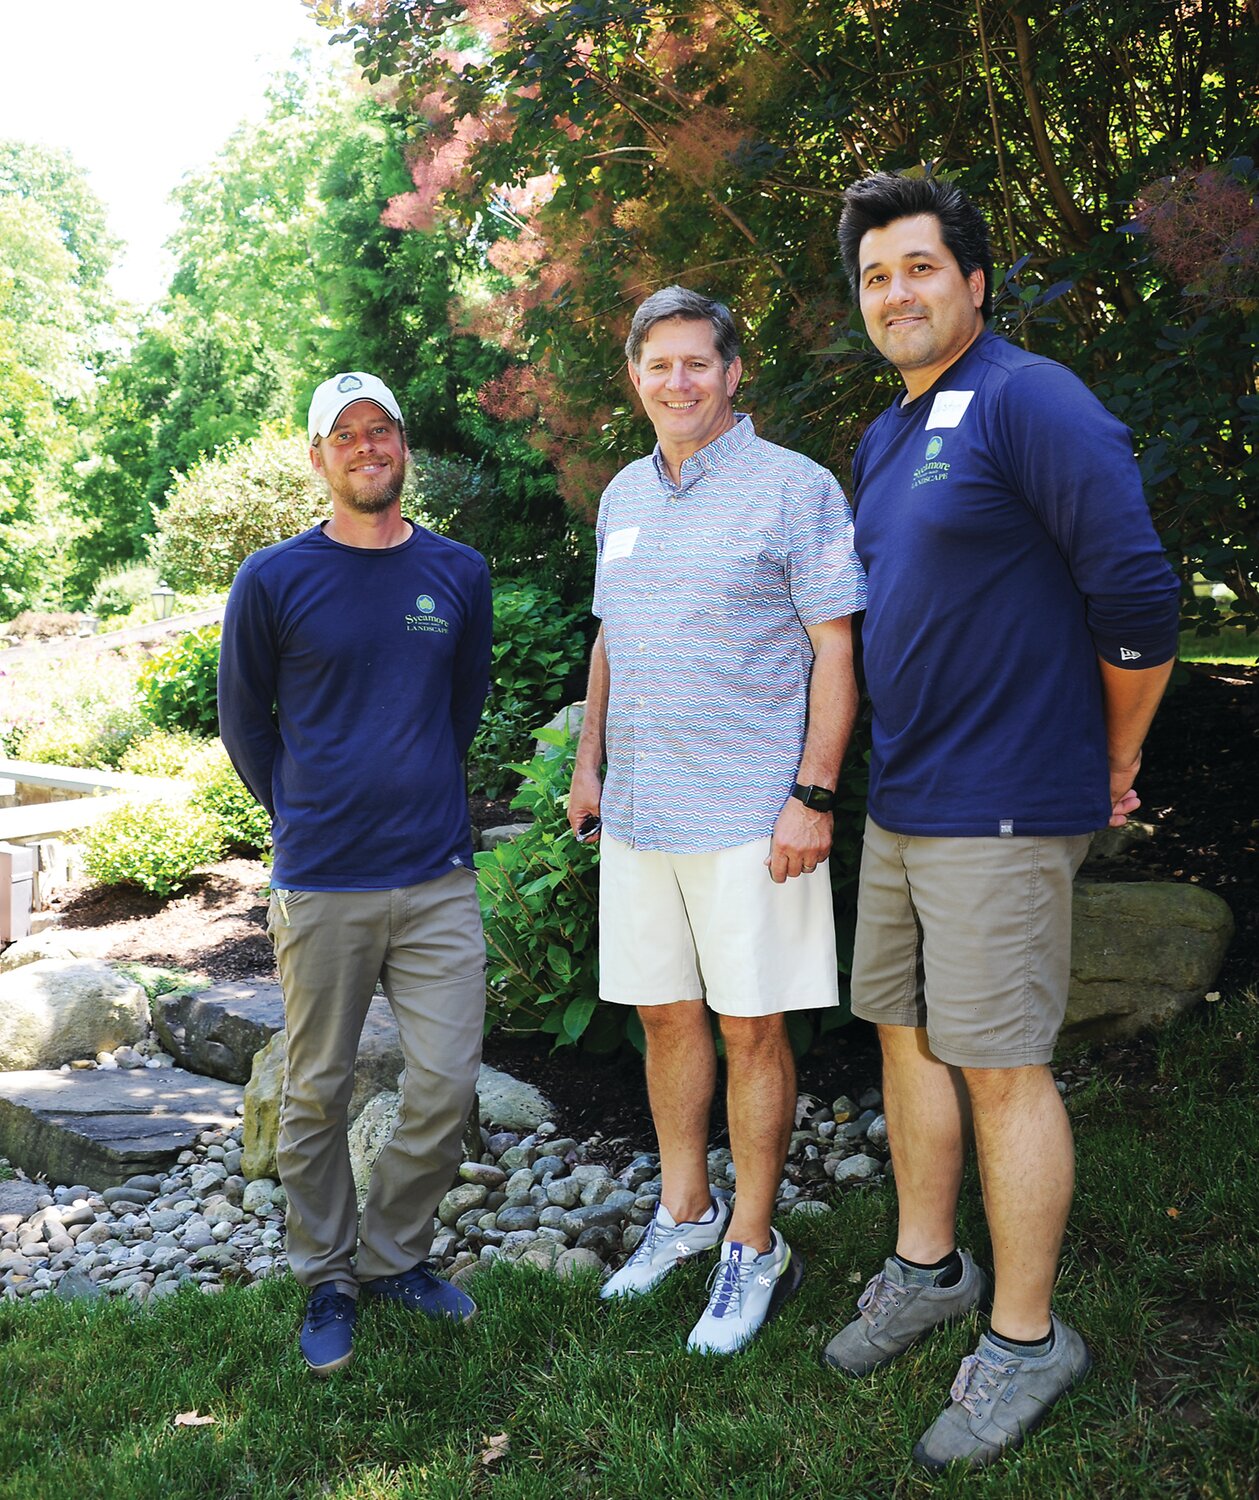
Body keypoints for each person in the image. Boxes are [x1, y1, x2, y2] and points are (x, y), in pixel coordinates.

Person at [823, 173, 1180, 1467]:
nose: (895, 292)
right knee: (906, 1042)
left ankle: (1027, 1341)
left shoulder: (1030, 399)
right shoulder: (883, 436)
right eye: (874, 276)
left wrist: (1112, 754)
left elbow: (1137, 596)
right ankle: (927, 1271)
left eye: (918, 267)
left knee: (998, 1068)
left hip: (1003, 806)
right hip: (907, 802)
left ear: (972, 282)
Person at [567, 286, 867, 1354]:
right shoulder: (621, 496)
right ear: (636, 378)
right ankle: (683, 1218)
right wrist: (588, 762)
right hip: (641, 810)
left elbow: (836, 647)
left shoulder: (794, 488)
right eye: (659, 365)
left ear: (732, 373)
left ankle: (753, 1245)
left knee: (751, 1028)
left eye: (699, 363)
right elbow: (611, 637)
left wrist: (812, 794)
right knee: (661, 1014)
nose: (678, 383)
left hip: (752, 812)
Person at [218, 371, 493, 1376]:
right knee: (317, 1088)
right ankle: (327, 1274)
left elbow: (458, 707)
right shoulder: (273, 578)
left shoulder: (457, 572)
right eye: (347, 434)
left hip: (434, 874)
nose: (368, 445)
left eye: (383, 430)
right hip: (324, 876)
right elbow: (246, 723)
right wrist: (300, 812)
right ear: (317, 457)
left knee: (446, 1078)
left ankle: (394, 1258)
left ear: (403, 448)